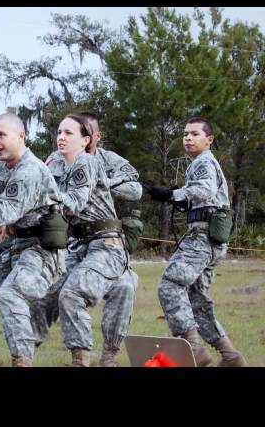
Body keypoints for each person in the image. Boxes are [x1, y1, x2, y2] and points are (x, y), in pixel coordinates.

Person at [0, 112, 63, 367]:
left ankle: (22, 362)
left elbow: (4, 211)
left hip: (42, 254)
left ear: (21, 136)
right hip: (15, 249)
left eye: (1, 135)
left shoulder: (31, 170)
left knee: (10, 295)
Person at [147, 116, 248, 367]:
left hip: (202, 238)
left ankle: (193, 348)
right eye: (185, 134)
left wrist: (172, 194)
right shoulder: (201, 163)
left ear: (209, 139)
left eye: (194, 134)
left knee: (170, 285)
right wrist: (178, 199)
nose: (188, 138)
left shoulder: (203, 162)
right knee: (197, 298)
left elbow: (203, 190)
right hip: (211, 239)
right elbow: (205, 197)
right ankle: (231, 356)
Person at [44, 112, 141, 366]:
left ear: (90, 138)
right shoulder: (54, 161)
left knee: (78, 293)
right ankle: (24, 354)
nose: (61, 137)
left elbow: (134, 189)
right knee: (49, 293)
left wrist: (105, 182)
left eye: (68, 133)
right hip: (78, 244)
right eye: (59, 132)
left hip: (106, 243)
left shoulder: (92, 162)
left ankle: (92, 360)